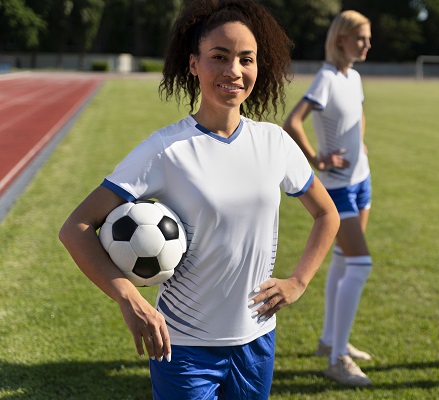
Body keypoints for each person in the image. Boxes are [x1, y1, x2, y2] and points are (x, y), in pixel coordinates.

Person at [58, 1, 340, 398]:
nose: (234, 71)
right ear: (194, 64)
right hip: (182, 344)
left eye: (247, 59)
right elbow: (76, 228)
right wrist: (130, 299)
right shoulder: (164, 150)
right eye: (219, 57)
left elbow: (327, 213)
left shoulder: (275, 142)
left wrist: (298, 281)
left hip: (256, 340)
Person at [283, 10, 373, 387]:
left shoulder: (354, 77)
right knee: (361, 263)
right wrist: (318, 157)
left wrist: (362, 150)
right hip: (336, 186)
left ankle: (329, 341)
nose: (368, 44)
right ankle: (337, 360)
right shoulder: (327, 77)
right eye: (361, 38)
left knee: (343, 260)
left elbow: (360, 120)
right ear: (341, 40)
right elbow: (293, 122)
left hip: (362, 180)